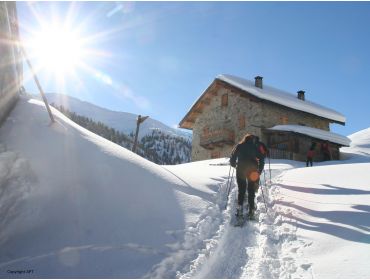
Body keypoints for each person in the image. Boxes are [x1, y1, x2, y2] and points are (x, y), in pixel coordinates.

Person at [230, 134, 264, 219]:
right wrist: (259, 170)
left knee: (241, 190)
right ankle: (251, 210)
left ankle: (240, 210)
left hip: (241, 169)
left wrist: (234, 164)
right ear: (252, 140)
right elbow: (262, 158)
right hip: (252, 170)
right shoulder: (255, 147)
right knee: (251, 189)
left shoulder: (239, 145)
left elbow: (232, 157)